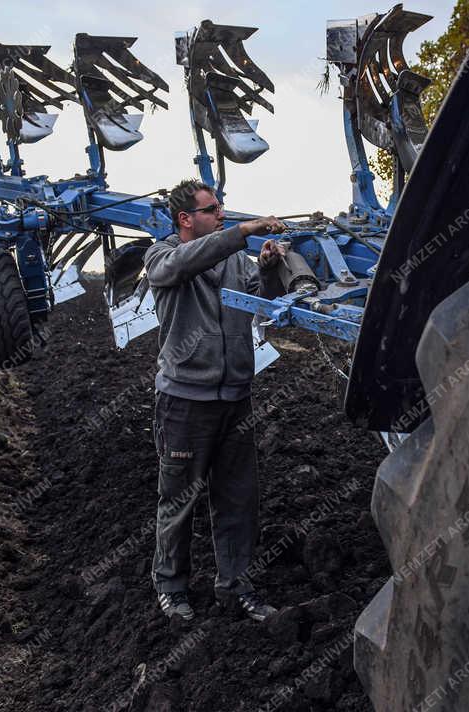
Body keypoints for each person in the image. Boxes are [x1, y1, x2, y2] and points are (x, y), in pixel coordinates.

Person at [143, 178, 287, 622]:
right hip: (185, 403)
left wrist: (264, 267)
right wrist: (243, 233)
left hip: (235, 399)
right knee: (179, 500)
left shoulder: (233, 262)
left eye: (221, 208)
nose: (222, 214)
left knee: (238, 500)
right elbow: (187, 262)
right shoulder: (162, 257)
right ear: (185, 219)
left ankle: (235, 586)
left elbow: (264, 301)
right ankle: (171, 587)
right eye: (212, 210)